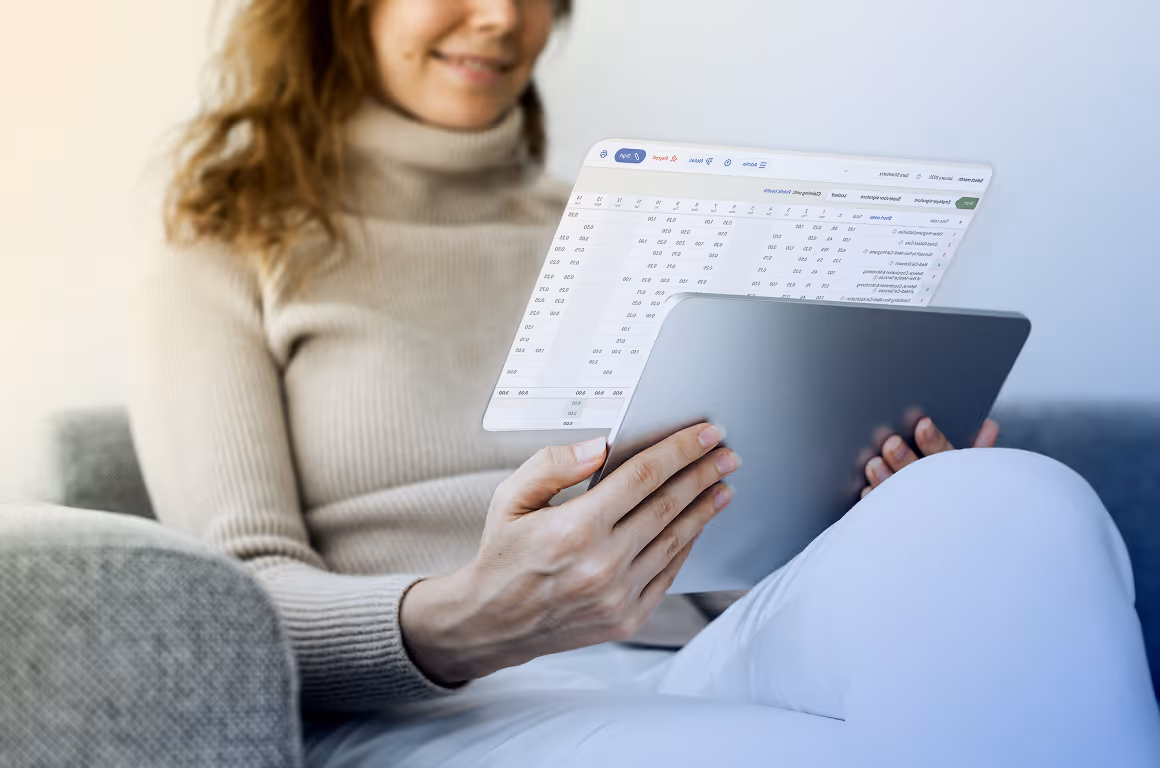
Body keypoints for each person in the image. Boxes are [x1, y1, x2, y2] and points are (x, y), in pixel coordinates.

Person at [128, 0, 1160, 765]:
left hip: (703, 656)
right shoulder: (228, 252)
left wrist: (861, 514)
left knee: (1011, 502)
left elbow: (732, 520)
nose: (501, 20)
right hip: (440, 712)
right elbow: (230, 600)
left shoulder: (635, 218)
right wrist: (469, 613)